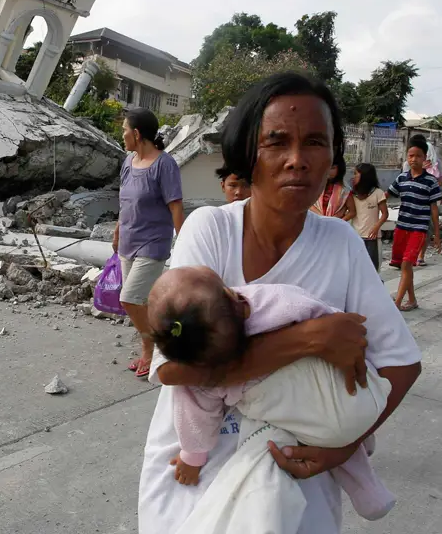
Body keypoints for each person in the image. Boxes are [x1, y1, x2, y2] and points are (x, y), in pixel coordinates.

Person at [138, 70, 421, 534]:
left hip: (295, 477)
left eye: (314, 142)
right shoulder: (210, 230)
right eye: (276, 142)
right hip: (194, 467)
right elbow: (173, 368)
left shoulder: (340, 243)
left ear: (332, 158)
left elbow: (402, 364)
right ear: (249, 154)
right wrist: (311, 338)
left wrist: (346, 445)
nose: (297, 160)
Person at [147, 267, 395, 525]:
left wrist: (192, 459)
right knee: (335, 416)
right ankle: (370, 491)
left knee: (276, 433)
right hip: (360, 392)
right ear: (233, 295)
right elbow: (321, 314)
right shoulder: (275, 300)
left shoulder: (202, 378)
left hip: (315, 427)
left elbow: (196, 420)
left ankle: (361, 493)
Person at [112, 108, 184, 380]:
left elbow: (176, 206)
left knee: (129, 299)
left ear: (137, 134)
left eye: (124, 131)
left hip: (153, 244)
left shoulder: (165, 165)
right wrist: (118, 231)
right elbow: (125, 201)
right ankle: (165, 344)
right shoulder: (128, 162)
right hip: (128, 242)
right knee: (143, 301)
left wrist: (186, 243)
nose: (123, 135)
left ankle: (149, 347)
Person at [387, 137, 442, 311]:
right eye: (410, 155)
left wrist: (436, 235)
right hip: (402, 227)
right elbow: (386, 195)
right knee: (405, 265)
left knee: (406, 264)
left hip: (419, 229)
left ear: (425, 158)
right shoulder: (401, 178)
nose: (413, 159)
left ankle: (396, 303)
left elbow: (434, 209)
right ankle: (412, 300)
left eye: (418, 156)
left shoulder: (431, 181)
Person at [402, 135, 442, 266]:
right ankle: (410, 254)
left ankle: (421, 255)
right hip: (411, 203)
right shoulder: (406, 164)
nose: (414, 158)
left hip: (429, 202)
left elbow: (440, 182)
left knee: (426, 228)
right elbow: (405, 182)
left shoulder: (437, 163)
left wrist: (428, 177)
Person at [351, 163, 388, 272]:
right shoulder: (352, 194)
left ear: (365, 176)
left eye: (356, 174)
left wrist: (376, 227)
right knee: (357, 269)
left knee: (373, 269)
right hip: (356, 236)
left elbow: (385, 214)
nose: (353, 177)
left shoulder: (377, 193)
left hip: (372, 237)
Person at [310, 155, 355, 221]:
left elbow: (352, 212)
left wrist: (338, 222)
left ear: (339, 169)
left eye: (333, 168)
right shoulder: (316, 185)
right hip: (316, 222)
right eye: (326, 167)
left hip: (335, 226)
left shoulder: (345, 190)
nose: (328, 171)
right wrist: (322, 217)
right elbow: (309, 204)